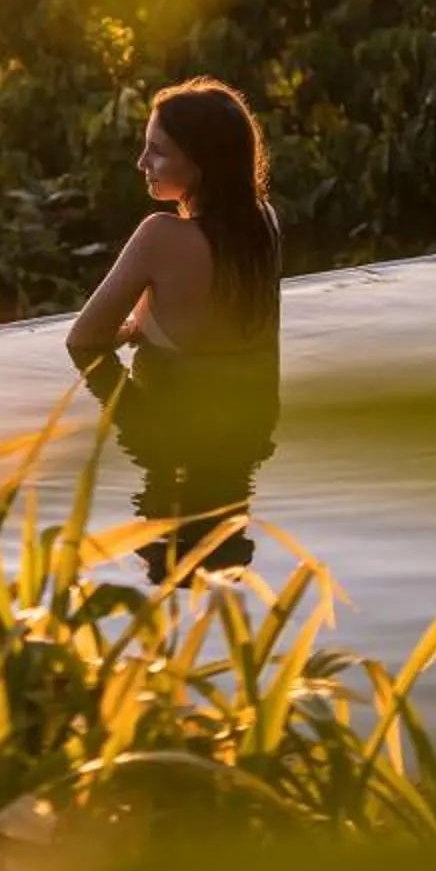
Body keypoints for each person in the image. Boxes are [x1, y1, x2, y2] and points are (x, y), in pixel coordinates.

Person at [65, 79, 284, 579]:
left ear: (200, 163)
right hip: (248, 427)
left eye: (158, 152)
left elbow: (83, 342)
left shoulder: (160, 236)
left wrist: (133, 327)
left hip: (177, 428)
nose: (142, 162)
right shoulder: (264, 226)